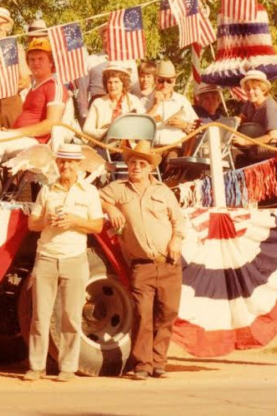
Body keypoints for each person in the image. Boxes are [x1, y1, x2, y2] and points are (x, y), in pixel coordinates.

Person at [101, 141, 185, 381]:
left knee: (167, 313)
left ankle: (159, 362)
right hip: (141, 265)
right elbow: (96, 197)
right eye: (132, 163)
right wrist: (110, 207)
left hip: (169, 261)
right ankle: (142, 364)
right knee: (142, 313)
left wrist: (176, 240)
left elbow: (179, 220)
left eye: (141, 163)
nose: (135, 167)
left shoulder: (163, 192)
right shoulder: (119, 189)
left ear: (150, 168)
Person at [23, 144, 104, 383]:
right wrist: (46, 219)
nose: (66, 166)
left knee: (71, 316)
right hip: (47, 256)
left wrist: (74, 221)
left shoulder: (88, 192)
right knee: (40, 316)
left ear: (79, 165)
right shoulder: (47, 190)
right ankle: (36, 367)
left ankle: (68, 368)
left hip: (74, 258)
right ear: (56, 163)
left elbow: (97, 225)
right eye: (62, 162)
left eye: (71, 162)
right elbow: (32, 224)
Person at [0, 38, 70, 193]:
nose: (35, 63)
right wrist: (7, 130)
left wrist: (13, 133)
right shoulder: (34, 89)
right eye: (32, 59)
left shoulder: (54, 86)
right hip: (24, 140)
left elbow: (51, 124)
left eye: (41, 59)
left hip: (39, 146)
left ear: (51, 62)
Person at [145, 60, 198, 158]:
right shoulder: (146, 100)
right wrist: (155, 106)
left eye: (169, 81)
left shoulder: (182, 101)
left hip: (174, 148)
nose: (165, 85)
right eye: (161, 80)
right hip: (150, 149)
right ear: (155, 80)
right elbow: (139, 128)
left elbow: (197, 129)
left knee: (172, 161)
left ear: (174, 82)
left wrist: (184, 125)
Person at [82, 63, 146, 141]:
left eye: (116, 82)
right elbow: (86, 130)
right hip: (102, 146)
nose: (112, 85)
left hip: (127, 147)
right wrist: (107, 133)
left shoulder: (134, 101)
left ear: (124, 83)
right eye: (110, 82)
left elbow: (143, 125)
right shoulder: (98, 103)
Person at [236, 70, 277, 164]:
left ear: (263, 89)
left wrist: (245, 141)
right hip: (259, 150)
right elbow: (240, 118)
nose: (251, 92)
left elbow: (273, 137)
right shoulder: (250, 103)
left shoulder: (270, 108)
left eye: (254, 88)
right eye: (248, 89)